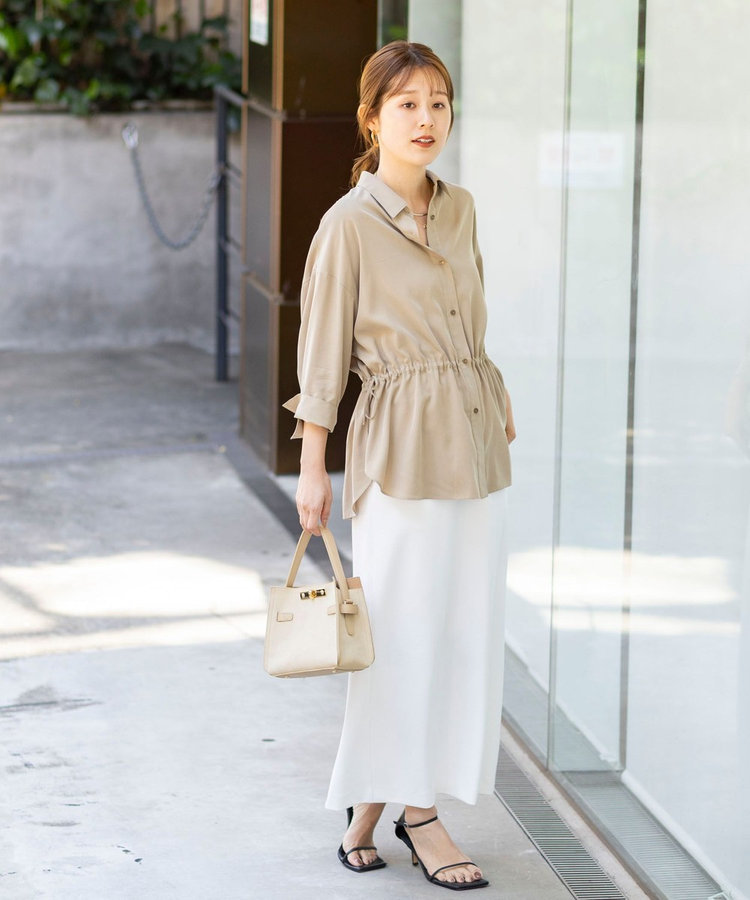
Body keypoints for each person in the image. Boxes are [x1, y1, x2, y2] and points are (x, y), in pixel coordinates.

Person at [283, 40, 516, 891]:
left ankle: (372, 810)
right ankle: (421, 815)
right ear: (372, 118)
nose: (426, 120)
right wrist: (314, 469)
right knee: (402, 637)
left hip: (476, 442)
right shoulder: (347, 225)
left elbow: (470, 320)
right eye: (407, 104)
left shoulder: (461, 210)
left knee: (459, 635)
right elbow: (322, 358)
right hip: (400, 453)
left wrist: (495, 390)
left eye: (439, 103)